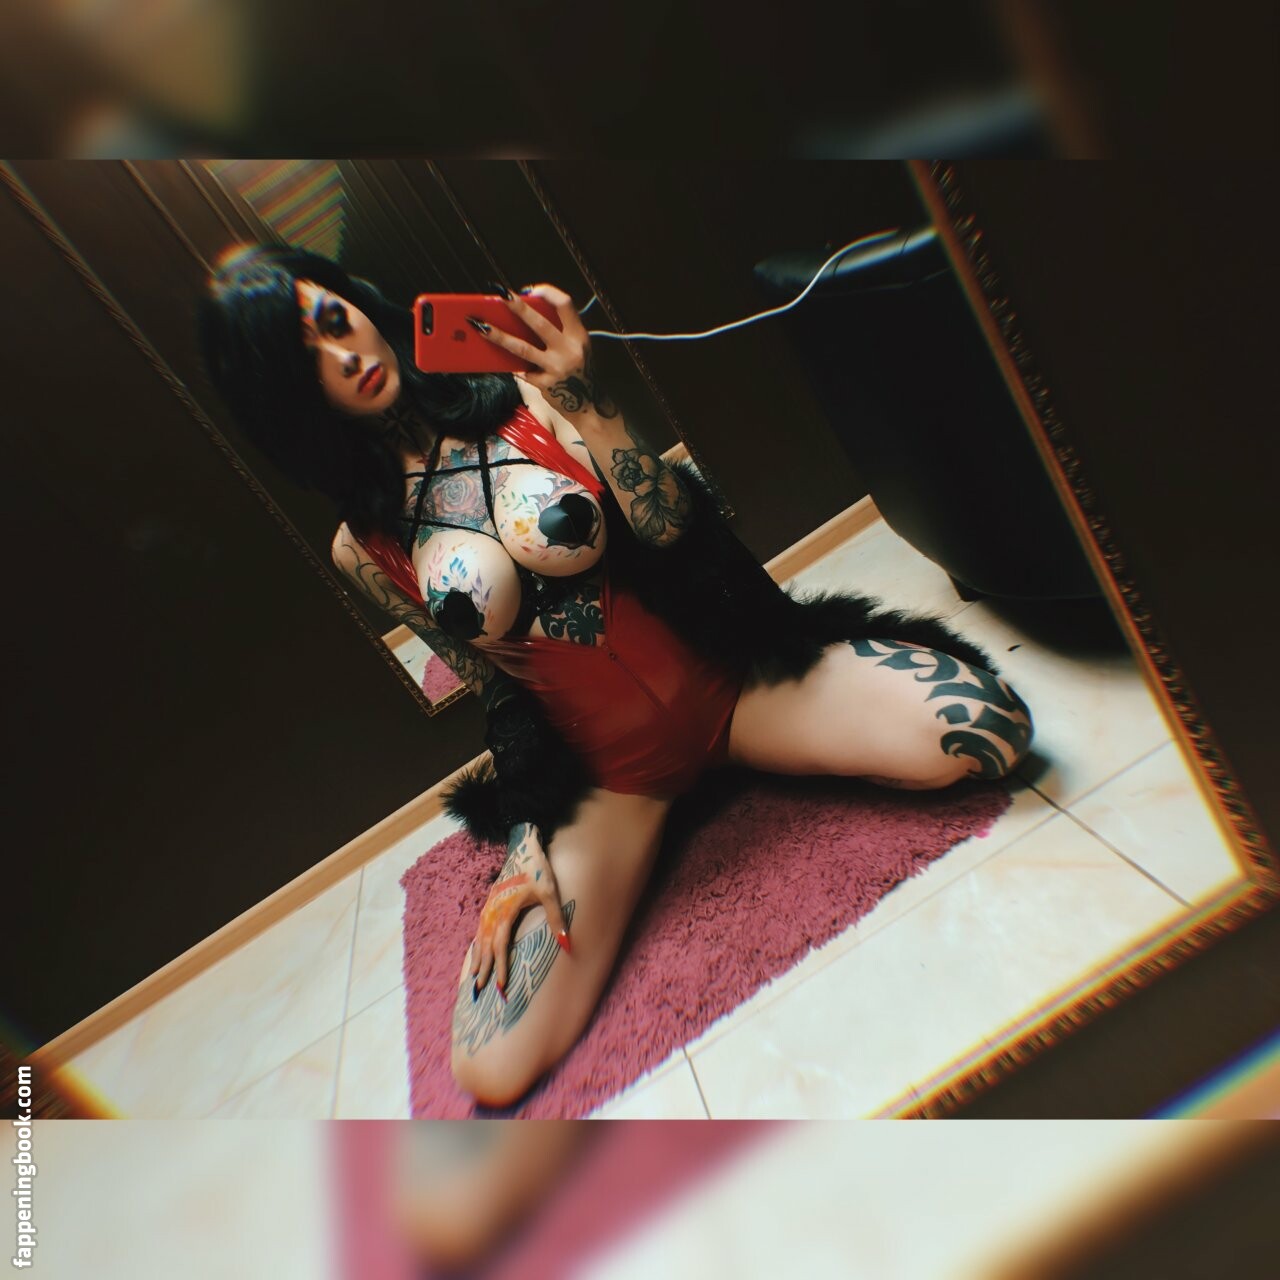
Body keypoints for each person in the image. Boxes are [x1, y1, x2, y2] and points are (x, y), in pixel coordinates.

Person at [199, 243, 1034, 1108]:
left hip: (735, 683)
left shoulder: (521, 395)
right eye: (306, 362)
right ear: (286, 404)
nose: (343, 357)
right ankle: (679, 807)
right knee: (491, 1063)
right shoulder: (361, 549)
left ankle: (765, 754)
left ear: (359, 304)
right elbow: (497, 690)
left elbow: (672, 528)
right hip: (614, 778)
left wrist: (584, 399)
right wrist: (525, 845)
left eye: (333, 321)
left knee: (987, 728)